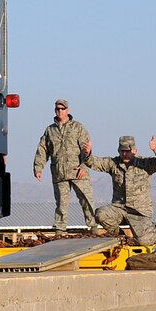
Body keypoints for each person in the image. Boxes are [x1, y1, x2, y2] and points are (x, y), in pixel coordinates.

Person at [84, 135, 156, 245]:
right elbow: (93, 162)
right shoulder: (114, 163)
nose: (124, 154)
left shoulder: (145, 163)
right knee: (101, 214)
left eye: (127, 151)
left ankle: (149, 228)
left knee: (144, 241)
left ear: (134, 150)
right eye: (122, 151)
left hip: (139, 212)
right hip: (119, 209)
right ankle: (121, 237)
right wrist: (88, 153)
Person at [32, 98, 99, 234]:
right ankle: (60, 228)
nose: (60, 111)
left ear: (68, 110)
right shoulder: (50, 130)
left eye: (62, 109)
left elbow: (86, 149)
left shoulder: (78, 127)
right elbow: (43, 149)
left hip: (77, 171)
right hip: (59, 173)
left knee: (86, 199)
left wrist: (84, 167)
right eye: (57, 109)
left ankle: (93, 226)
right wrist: (38, 167)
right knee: (61, 203)